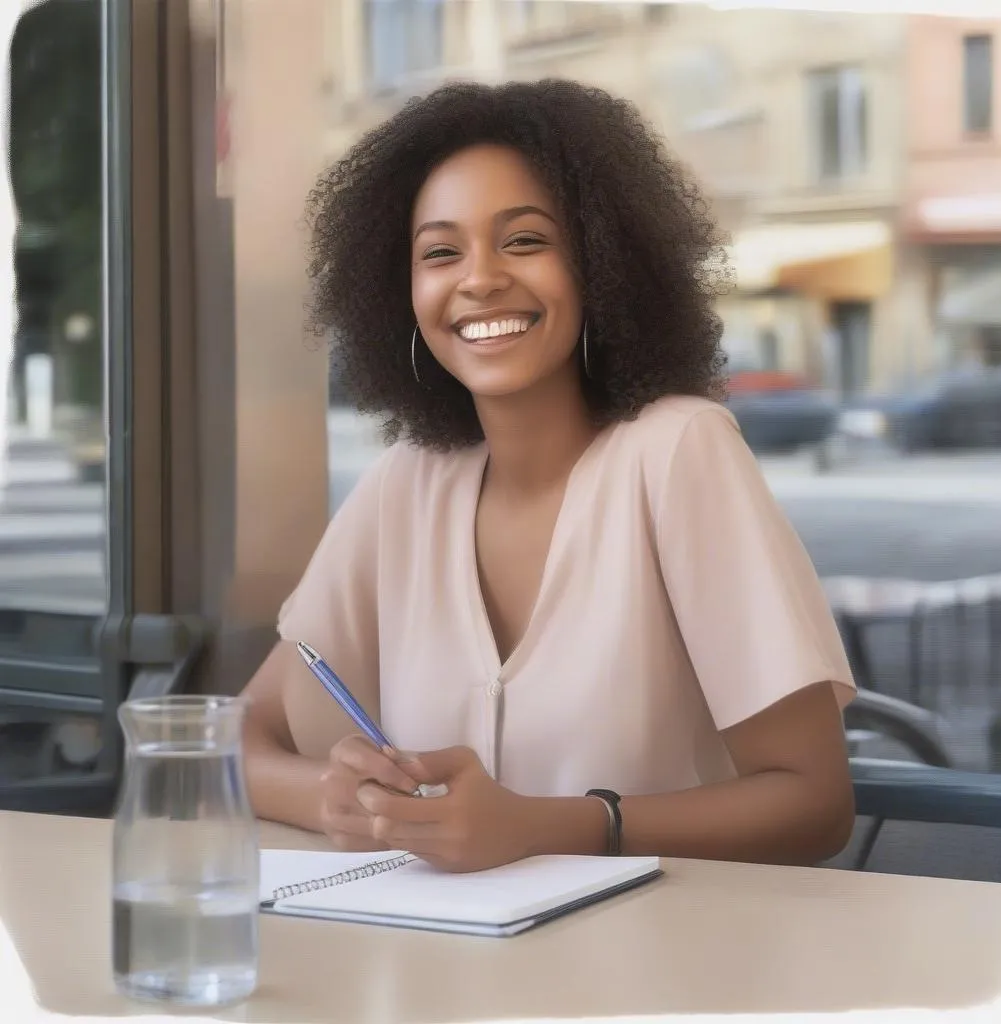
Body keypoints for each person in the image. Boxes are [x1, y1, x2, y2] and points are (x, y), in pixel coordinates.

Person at [240, 78, 857, 873]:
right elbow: (237, 735)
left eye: (525, 240)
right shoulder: (407, 484)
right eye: (439, 252)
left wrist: (548, 824)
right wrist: (336, 796)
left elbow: (815, 804)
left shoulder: (677, 453)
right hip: (450, 976)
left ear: (602, 264)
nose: (480, 278)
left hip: (662, 975)